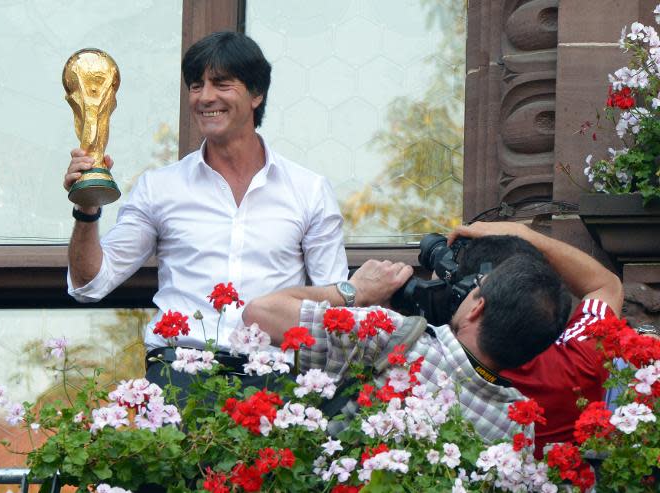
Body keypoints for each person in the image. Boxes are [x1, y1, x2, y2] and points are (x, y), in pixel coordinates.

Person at [63, 32, 348, 359]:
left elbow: (337, 309)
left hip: (274, 381)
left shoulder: (308, 190)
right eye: (196, 85)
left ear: (256, 94)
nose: (205, 97)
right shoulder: (159, 187)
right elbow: (91, 284)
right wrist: (87, 208)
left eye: (221, 84)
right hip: (180, 377)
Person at [243, 226, 572, 442]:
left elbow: (261, 312)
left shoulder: (397, 338)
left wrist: (355, 290)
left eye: (474, 288)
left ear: (475, 308)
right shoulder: (519, 425)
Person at [446, 222, 623, 457]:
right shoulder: (579, 366)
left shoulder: (429, 359)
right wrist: (528, 235)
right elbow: (606, 286)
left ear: (477, 304)